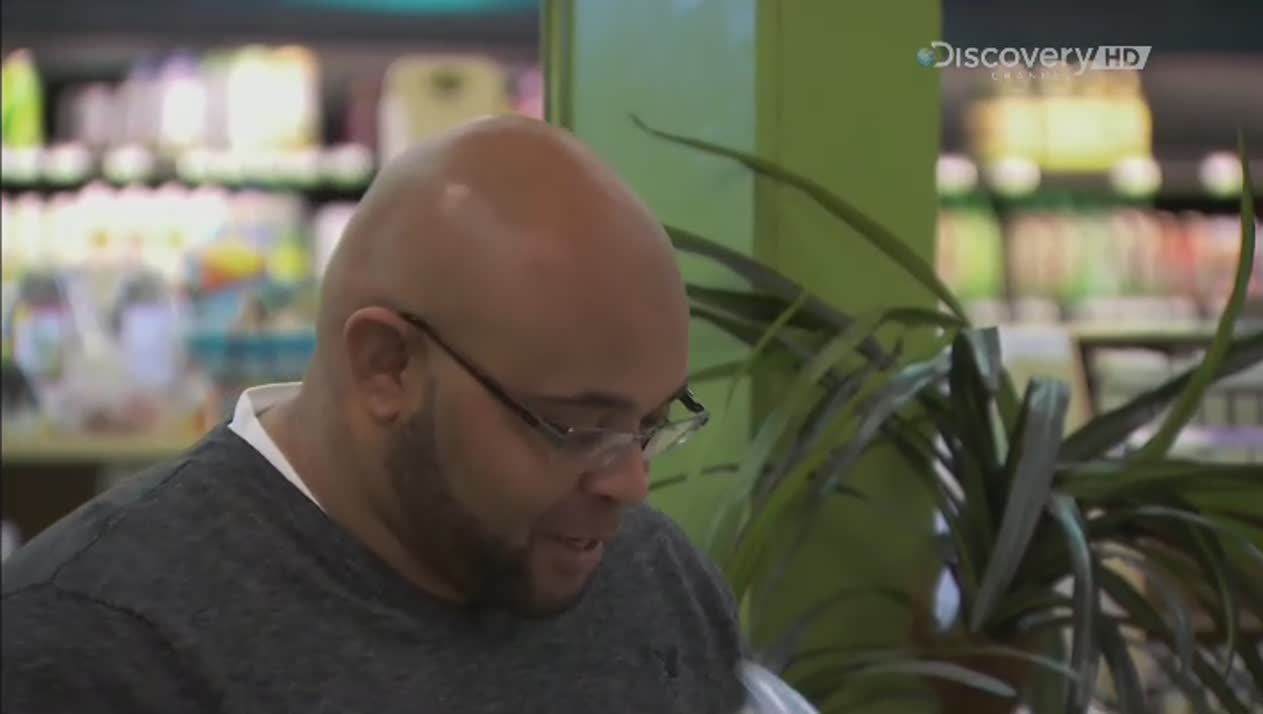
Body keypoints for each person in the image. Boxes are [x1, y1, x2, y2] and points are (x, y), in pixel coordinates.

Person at [2, 116, 748, 714]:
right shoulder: (93, 643)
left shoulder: (658, 581)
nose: (630, 484)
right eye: (576, 427)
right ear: (387, 366)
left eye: (652, 423)